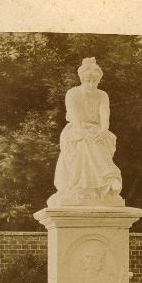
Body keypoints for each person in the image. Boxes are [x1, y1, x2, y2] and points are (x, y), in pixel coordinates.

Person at [49, 57, 123, 206]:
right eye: (87, 80)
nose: (90, 84)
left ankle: (104, 184)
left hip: (97, 130)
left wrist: (102, 132)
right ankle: (102, 180)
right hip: (76, 129)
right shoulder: (72, 94)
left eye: (94, 81)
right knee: (84, 142)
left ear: (99, 80)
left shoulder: (102, 95)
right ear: (82, 79)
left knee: (101, 139)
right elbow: (75, 118)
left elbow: (105, 117)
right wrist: (86, 132)